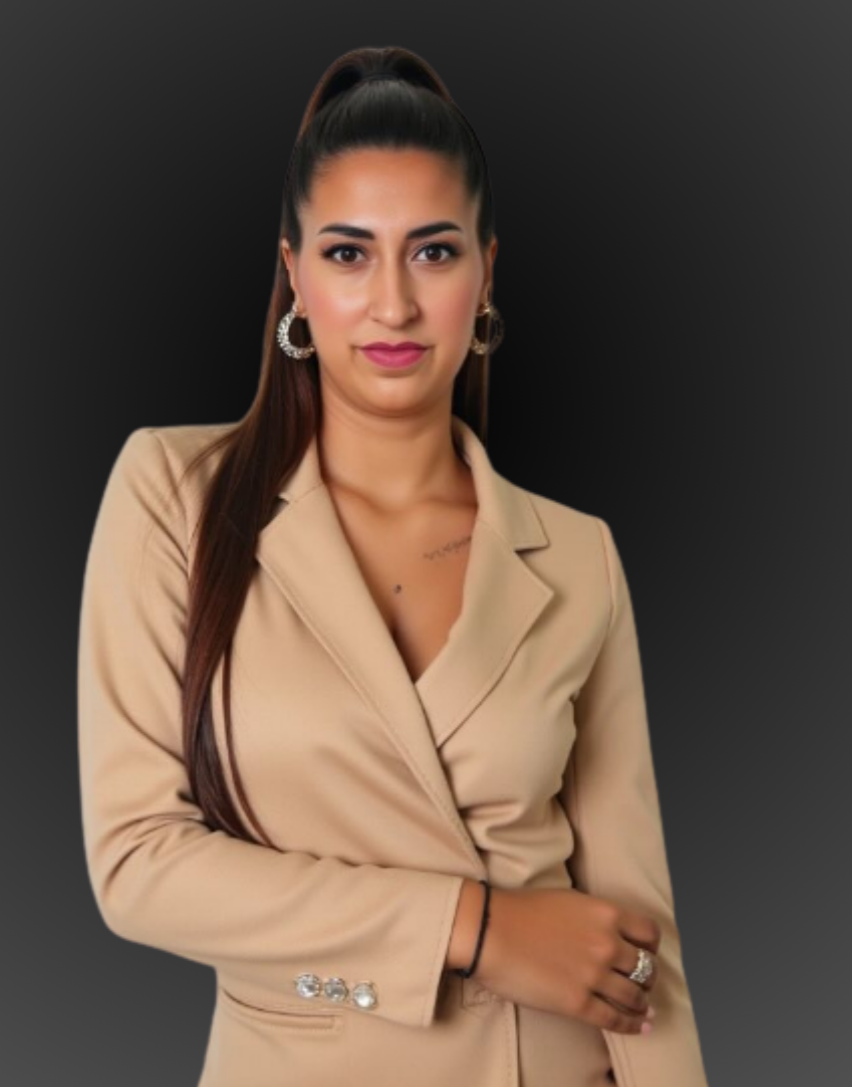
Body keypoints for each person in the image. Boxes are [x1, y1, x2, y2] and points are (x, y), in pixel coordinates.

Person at [77, 45, 710, 1087]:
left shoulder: (576, 554)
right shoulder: (172, 495)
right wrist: (477, 926)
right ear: (291, 272)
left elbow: (639, 934)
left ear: (486, 270)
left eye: (430, 252)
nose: (391, 305)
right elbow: (140, 865)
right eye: (345, 253)